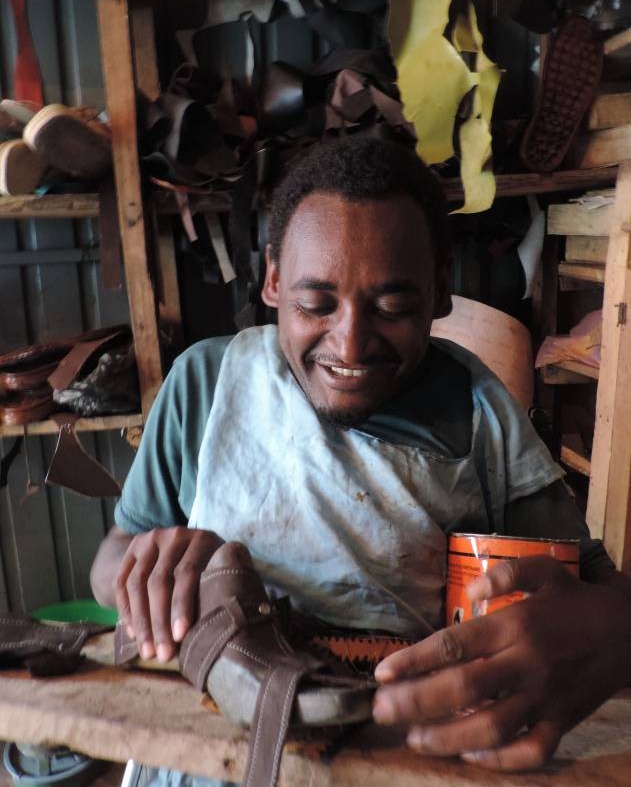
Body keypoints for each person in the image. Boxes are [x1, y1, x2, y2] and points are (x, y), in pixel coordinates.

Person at [91, 137, 631, 777]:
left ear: (440, 289)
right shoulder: (208, 383)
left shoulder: (478, 413)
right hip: (210, 750)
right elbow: (112, 556)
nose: (350, 342)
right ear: (271, 281)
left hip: (391, 753)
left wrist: (608, 631)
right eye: (314, 304)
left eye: (394, 306)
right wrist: (144, 569)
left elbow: (599, 594)